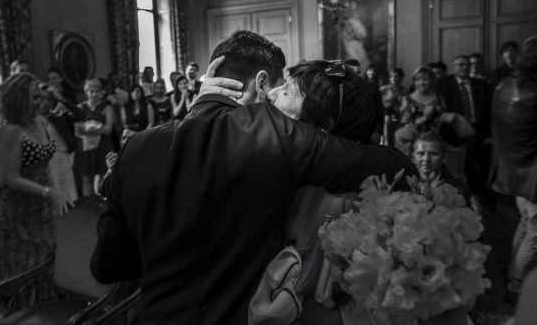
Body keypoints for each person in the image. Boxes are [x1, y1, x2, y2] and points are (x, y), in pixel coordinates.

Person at [90, 30, 417, 325]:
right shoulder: (279, 140)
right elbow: (398, 167)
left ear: (211, 74)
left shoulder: (135, 147)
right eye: (278, 87)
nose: (274, 97)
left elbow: (108, 266)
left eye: (286, 91)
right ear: (261, 83)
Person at [0, 74, 73, 316]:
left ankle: (46, 308)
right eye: (35, 97)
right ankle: (23, 313)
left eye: (41, 96)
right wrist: (50, 192)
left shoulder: (39, 121)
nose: (41, 102)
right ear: (19, 100)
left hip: (41, 202)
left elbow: (45, 160)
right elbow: (9, 177)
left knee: (48, 255)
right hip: (13, 207)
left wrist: (55, 192)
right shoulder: (9, 131)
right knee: (22, 265)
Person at [489, 35, 537, 303]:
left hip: (515, 170)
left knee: (525, 223)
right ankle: (516, 286)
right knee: (535, 232)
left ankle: (511, 273)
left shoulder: (504, 85)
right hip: (531, 173)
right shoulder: (533, 91)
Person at [435, 54, 492, 206]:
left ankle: (479, 198)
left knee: (478, 168)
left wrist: (488, 135)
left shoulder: (481, 85)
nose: (464, 67)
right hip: (451, 134)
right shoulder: (443, 84)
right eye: (460, 65)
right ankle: (459, 199)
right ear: (454, 67)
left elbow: (489, 112)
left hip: (477, 133)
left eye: (467, 64)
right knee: (457, 169)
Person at [75, 78, 115, 196]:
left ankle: (102, 203)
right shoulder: (80, 107)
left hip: (103, 145)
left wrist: (89, 128)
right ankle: (88, 207)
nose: (94, 94)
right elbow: (77, 131)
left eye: (97, 91)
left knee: (103, 175)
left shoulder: (107, 108)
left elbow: (108, 130)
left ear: (101, 92)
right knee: (86, 177)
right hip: (85, 146)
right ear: (86, 92)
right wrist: (95, 129)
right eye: (91, 91)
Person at [400, 66, 446, 134]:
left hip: (437, 140)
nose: (421, 83)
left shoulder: (439, 98)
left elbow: (444, 123)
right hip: (414, 141)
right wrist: (425, 117)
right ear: (414, 82)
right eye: (418, 80)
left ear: (432, 81)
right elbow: (405, 126)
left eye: (425, 79)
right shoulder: (407, 99)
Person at [341, 0, 369, 70]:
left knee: (360, 62)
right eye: (351, 5)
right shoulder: (345, 20)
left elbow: (362, 34)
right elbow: (344, 35)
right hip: (348, 45)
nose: (353, 8)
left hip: (356, 46)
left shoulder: (355, 21)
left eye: (355, 6)